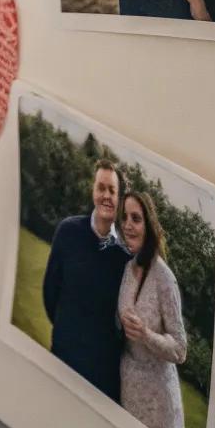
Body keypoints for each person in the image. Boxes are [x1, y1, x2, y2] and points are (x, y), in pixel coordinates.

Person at [42, 162, 130, 401]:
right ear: (93, 190)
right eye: (101, 188)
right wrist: (66, 332)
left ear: (120, 198)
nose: (106, 196)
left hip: (102, 379)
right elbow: (50, 291)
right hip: (62, 358)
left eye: (112, 190)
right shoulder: (68, 231)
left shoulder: (126, 256)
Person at [117, 191, 187, 428]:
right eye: (124, 217)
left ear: (149, 225)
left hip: (159, 407)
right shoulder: (127, 269)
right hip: (129, 397)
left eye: (136, 218)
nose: (128, 225)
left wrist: (146, 333)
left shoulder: (164, 278)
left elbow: (180, 349)